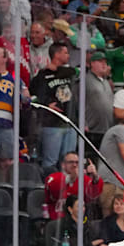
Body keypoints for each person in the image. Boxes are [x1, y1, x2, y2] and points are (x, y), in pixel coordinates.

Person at [30, 43, 78, 171]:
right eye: (66, 52)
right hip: (51, 124)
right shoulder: (43, 75)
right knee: (50, 162)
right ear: (57, 54)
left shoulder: (69, 73)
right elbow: (32, 96)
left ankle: (67, 189)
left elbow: (78, 71)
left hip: (70, 123)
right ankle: (49, 187)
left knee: (70, 162)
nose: (68, 55)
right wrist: (45, 105)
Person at [44, 152, 103, 220]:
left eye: (77, 162)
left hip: (79, 221)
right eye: (71, 162)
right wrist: (72, 177)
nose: (74, 165)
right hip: (57, 221)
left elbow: (93, 196)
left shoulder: (85, 179)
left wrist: (95, 177)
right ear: (63, 165)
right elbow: (53, 191)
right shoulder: (53, 177)